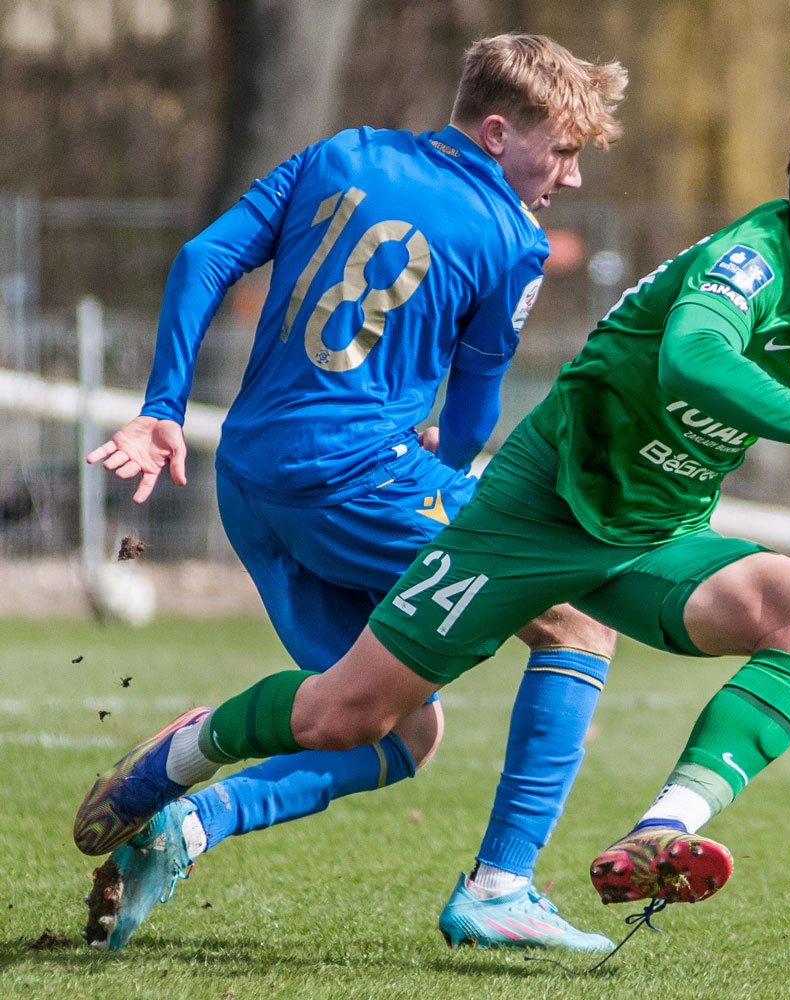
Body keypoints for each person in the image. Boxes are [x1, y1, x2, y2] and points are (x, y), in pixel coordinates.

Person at [76, 100, 790, 935]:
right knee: (348, 718)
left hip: (650, 533)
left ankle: (655, 835)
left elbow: (776, 406)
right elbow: (696, 360)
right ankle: (180, 763)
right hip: (537, 514)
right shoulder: (745, 264)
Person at [75, 33, 627, 953]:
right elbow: (473, 412)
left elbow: (202, 259)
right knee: (573, 620)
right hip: (356, 478)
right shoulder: (509, 237)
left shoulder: (339, 151)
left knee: (391, 727)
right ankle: (502, 885)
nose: (568, 178)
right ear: (497, 132)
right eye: (560, 151)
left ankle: (180, 809)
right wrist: (450, 486)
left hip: (251, 483)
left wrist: (163, 408)